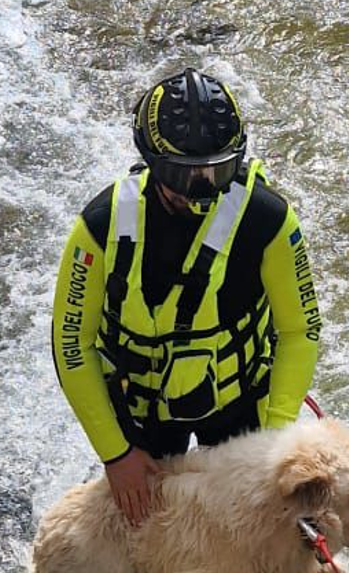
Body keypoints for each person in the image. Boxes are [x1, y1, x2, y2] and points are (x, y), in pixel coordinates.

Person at [51, 67, 322, 526]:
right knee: (144, 528)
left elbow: (300, 329)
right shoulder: (100, 227)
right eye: (184, 172)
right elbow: (71, 343)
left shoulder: (268, 221)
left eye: (218, 170)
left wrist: (274, 440)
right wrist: (117, 454)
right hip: (143, 413)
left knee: (260, 528)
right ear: (153, 163)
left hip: (242, 406)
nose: (202, 185)